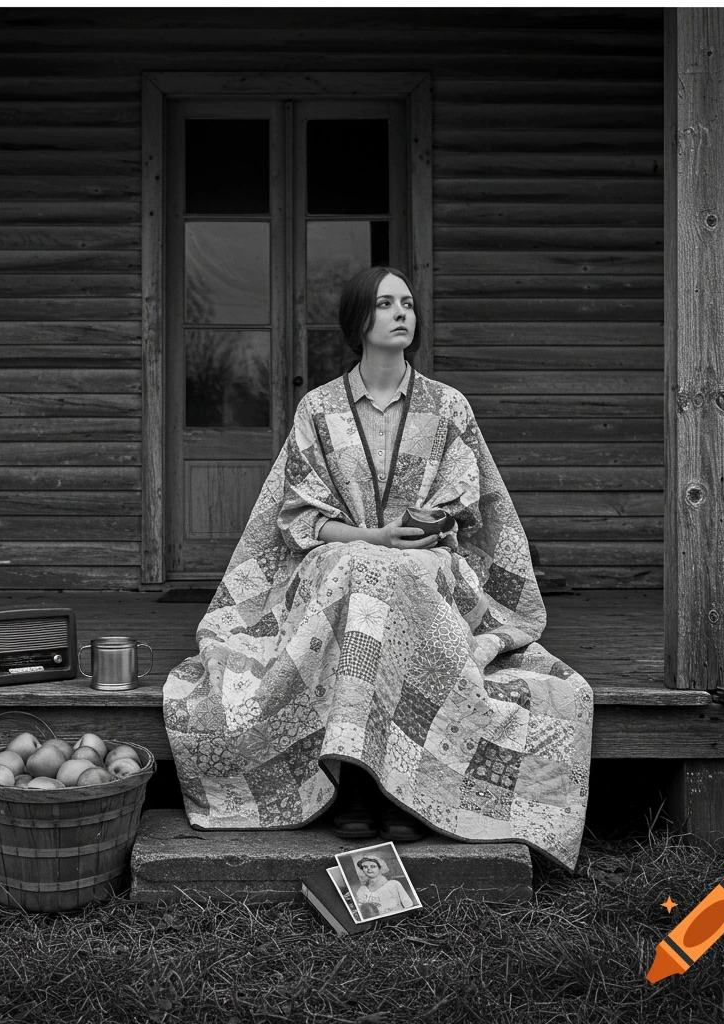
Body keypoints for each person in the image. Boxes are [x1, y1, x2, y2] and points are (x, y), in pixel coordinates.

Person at [163, 266, 594, 874]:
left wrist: (425, 529)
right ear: (359, 320)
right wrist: (374, 537)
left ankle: (397, 786)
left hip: (426, 561)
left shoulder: (448, 407)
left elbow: (467, 501)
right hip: (341, 558)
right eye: (387, 303)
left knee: (399, 577)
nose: (402, 313)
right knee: (360, 571)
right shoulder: (320, 408)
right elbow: (301, 515)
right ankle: (365, 780)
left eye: (409, 304)